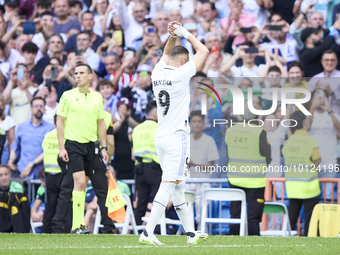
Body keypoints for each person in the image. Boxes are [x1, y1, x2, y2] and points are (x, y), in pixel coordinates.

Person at [139, 21, 209, 245]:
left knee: (179, 186)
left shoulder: (157, 72)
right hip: (177, 137)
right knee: (169, 183)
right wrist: (184, 33)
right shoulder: (181, 73)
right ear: (183, 61)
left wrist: (172, 35)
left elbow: (167, 52)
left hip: (160, 136)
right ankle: (148, 232)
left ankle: (190, 234)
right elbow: (204, 51)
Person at [56, 63, 110, 234]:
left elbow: (101, 123)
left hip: (91, 146)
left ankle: (79, 225)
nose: (78, 76)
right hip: (73, 145)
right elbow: (60, 121)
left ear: (90, 76)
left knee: (83, 184)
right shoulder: (67, 95)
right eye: (76, 73)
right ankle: (77, 225)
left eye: (81, 73)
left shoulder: (97, 97)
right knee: (79, 182)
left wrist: (103, 148)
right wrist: (61, 147)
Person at [225, 101, 271, 236]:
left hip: (234, 179)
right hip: (255, 181)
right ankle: (254, 242)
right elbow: (268, 156)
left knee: (235, 215)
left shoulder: (230, 130)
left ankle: (232, 241)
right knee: (253, 218)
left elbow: (228, 152)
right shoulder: (259, 132)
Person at [282, 111, 321, 236]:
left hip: (293, 187)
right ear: (304, 122)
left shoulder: (288, 143)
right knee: (310, 218)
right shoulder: (310, 141)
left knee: (292, 218)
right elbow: (317, 160)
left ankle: (288, 243)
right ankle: (308, 244)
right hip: (309, 186)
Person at [9, 97, 54, 179]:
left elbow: (49, 150)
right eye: (36, 106)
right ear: (31, 109)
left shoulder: (51, 128)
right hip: (22, 171)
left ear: (45, 109)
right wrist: (11, 160)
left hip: (42, 173)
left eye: (41, 106)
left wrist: (31, 164)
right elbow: (15, 146)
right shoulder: (22, 127)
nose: (39, 109)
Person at [132, 100, 162, 226]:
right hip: (155, 169)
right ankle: (155, 230)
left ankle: (136, 230)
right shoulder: (159, 128)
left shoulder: (137, 129)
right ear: (155, 113)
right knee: (158, 202)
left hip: (139, 169)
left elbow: (133, 152)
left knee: (140, 204)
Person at [41, 115, 61, 233]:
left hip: (49, 174)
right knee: (65, 205)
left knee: (50, 206)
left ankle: (45, 232)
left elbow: (44, 149)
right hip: (62, 174)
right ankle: (65, 231)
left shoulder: (48, 135)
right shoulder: (67, 136)